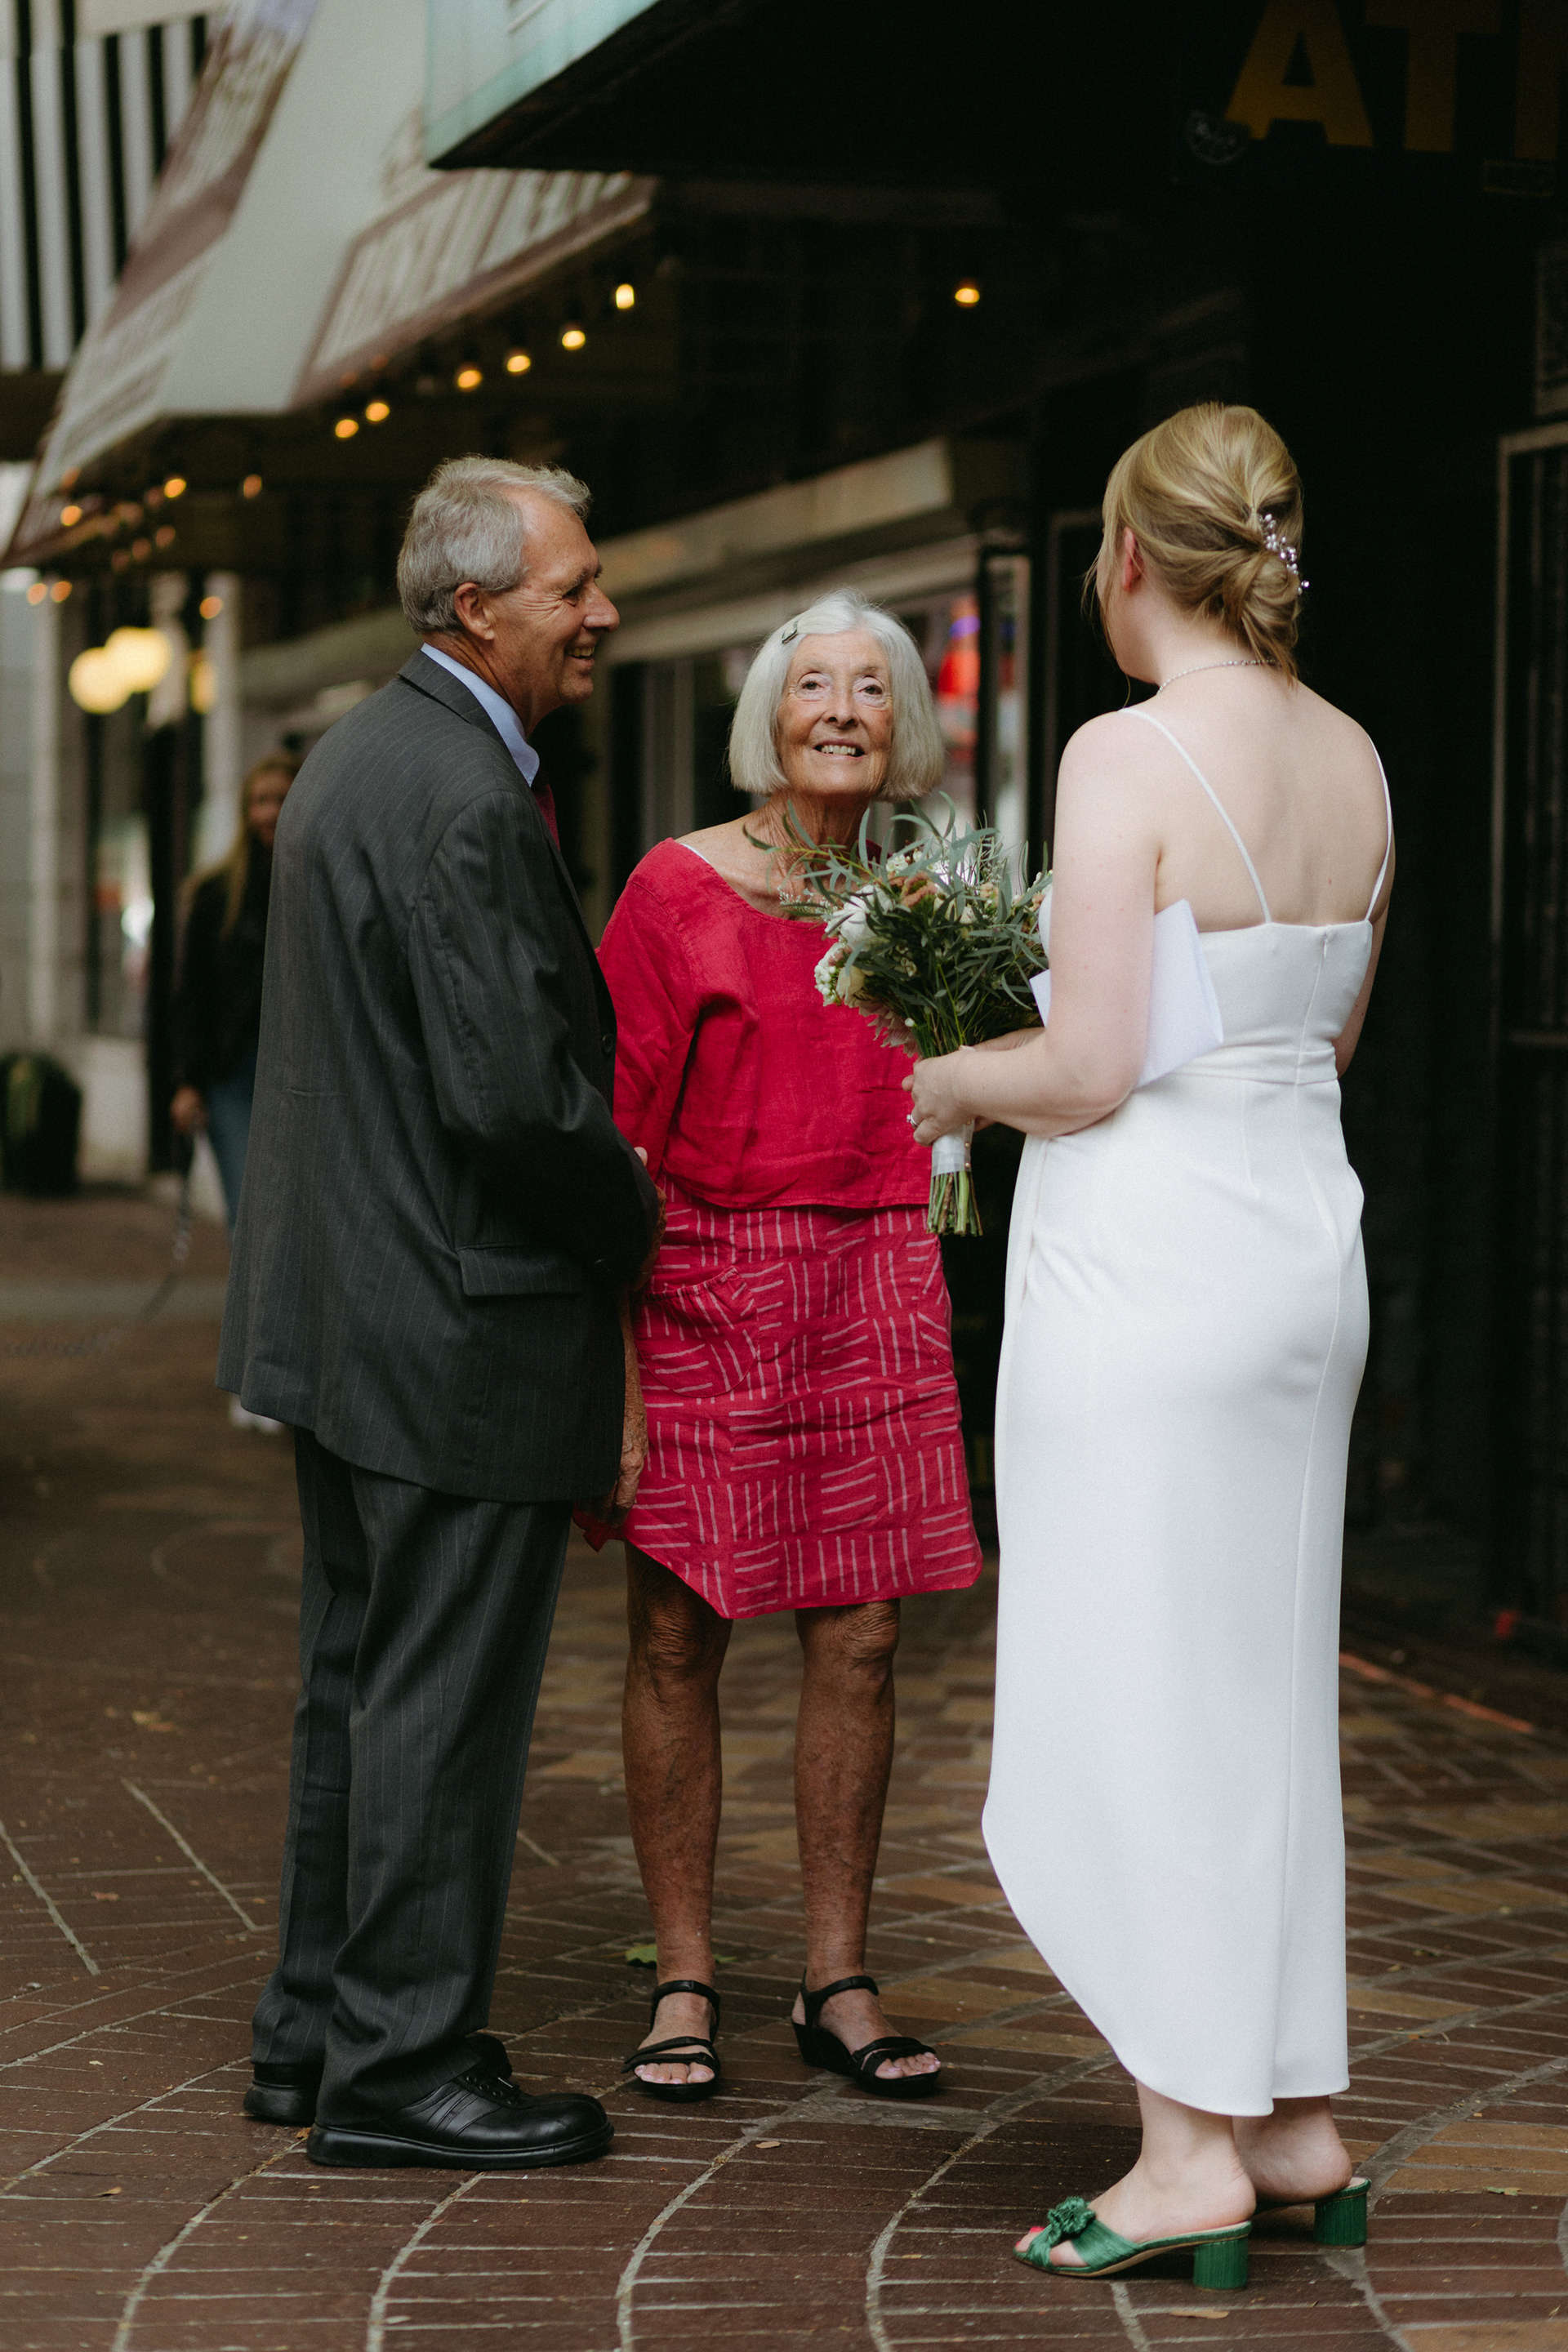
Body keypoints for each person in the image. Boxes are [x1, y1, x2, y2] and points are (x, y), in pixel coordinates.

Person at [909, 405, 1391, 2287]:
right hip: (1301, 1254)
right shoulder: (1355, 755)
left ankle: (1188, 2150)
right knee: (1259, 1684)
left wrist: (947, 1075)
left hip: (1152, 1266)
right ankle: (1294, 2117)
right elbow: (1325, 1041)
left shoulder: (1125, 751)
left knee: (1139, 1682)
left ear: (1126, 558)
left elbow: (1097, 1063)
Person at [218, 457, 662, 2172]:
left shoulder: (360, 754)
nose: (602, 612)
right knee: (437, 1706)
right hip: (454, 1325)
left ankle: (315, 2036)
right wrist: (633, 1207)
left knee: (359, 1680)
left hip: (352, 1311)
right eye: (575, 586)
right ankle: (402, 2068)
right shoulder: (466, 790)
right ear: (475, 608)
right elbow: (510, 1100)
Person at [595, 590, 982, 2105]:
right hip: (700, 1282)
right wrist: (618, 1375)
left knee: (866, 1639)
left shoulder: (929, 904)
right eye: (813, 685)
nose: (841, 711)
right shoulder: (674, 888)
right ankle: (684, 1975)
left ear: (904, 727)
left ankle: (837, 1977)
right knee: (677, 1633)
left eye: (871, 689)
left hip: (876, 1277)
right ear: (768, 716)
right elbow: (613, 1143)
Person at [172, 751, 297, 1433]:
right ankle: (255, 1378)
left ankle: (278, 1374)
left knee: (292, 1227)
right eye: (260, 800)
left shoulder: (316, 880)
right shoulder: (215, 893)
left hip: (300, 1077)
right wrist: (186, 1080)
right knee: (255, 1223)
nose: (270, 813)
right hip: (231, 1076)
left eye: (282, 798)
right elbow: (189, 996)